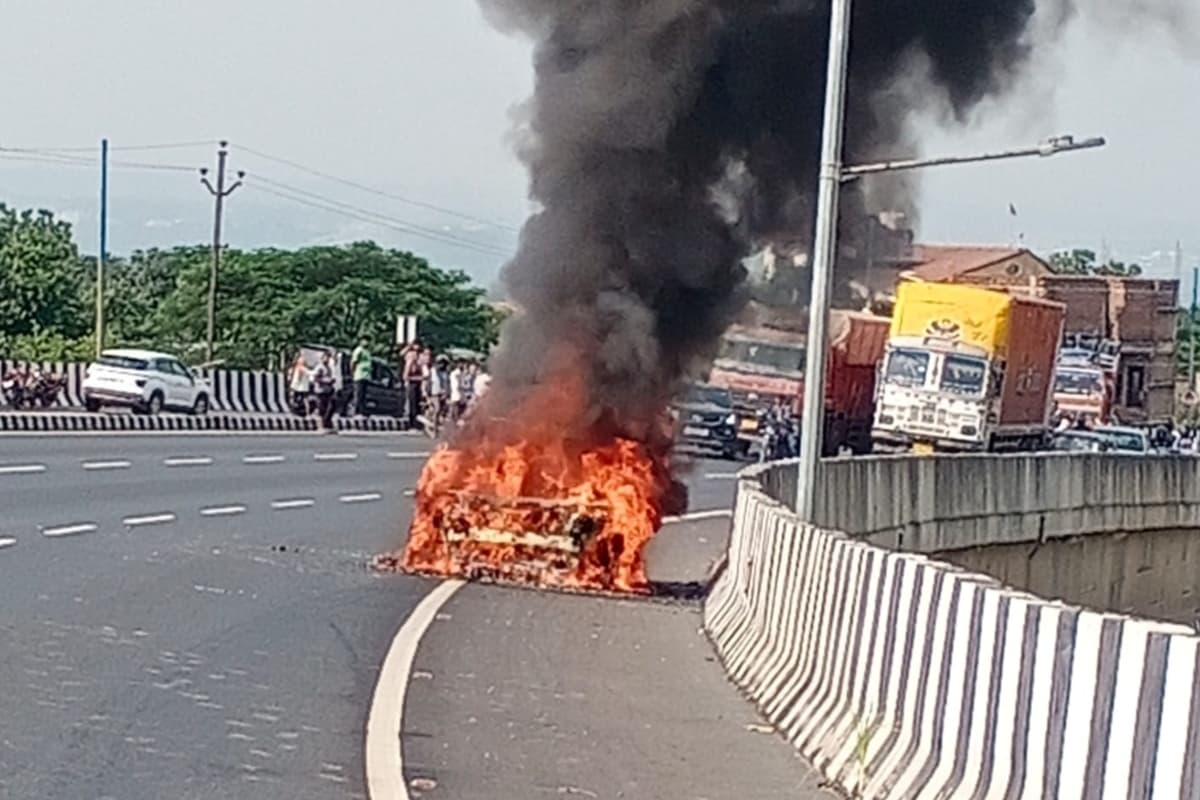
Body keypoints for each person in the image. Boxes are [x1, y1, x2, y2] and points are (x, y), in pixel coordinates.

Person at [312, 351, 337, 433]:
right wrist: (326, 381)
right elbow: (316, 378)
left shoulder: (328, 367)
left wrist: (331, 381)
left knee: (330, 407)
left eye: (328, 357)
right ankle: (322, 426)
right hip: (321, 391)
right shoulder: (320, 367)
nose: (327, 359)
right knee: (322, 409)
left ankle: (328, 425)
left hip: (328, 390)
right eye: (326, 357)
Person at [403, 340, 424, 430]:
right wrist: (420, 378)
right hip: (412, 384)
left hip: (418, 384)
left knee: (418, 404)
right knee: (412, 404)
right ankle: (412, 423)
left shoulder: (420, 359)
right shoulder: (410, 360)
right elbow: (405, 376)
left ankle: (418, 423)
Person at [350, 337, 372, 417]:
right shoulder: (358, 350)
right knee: (358, 395)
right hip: (359, 375)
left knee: (363, 395)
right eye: (365, 340)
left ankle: (362, 412)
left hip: (366, 376)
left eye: (368, 341)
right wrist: (352, 373)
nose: (366, 342)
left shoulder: (367, 351)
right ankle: (356, 412)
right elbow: (353, 362)